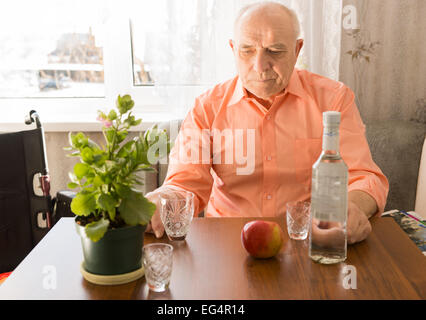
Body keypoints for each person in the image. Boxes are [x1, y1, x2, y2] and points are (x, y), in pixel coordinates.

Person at [145, 2, 389, 245]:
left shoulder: (334, 100)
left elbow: (363, 177)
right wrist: (162, 200)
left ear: (297, 49)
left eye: (275, 50)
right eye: (247, 50)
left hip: (306, 242)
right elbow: (185, 183)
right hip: (228, 245)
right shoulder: (207, 107)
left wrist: (353, 206)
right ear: (233, 49)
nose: (260, 66)